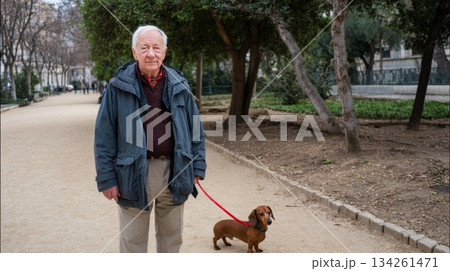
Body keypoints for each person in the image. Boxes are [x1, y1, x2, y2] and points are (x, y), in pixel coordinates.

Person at [94, 25, 206, 253]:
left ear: (164, 52)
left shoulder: (180, 85)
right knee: (132, 243)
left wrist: (197, 165)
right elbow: (104, 136)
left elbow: (196, 129)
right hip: (132, 171)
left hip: (175, 169)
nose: (151, 53)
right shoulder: (117, 87)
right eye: (144, 48)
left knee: (171, 240)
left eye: (156, 47)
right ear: (134, 52)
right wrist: (106, 178)